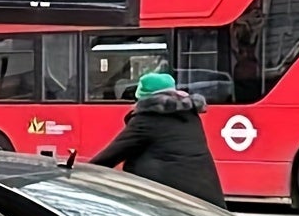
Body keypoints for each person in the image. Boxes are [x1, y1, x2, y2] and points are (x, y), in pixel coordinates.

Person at [89, 69, 227, 205]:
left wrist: (82, 173)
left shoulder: (147, 119)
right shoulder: (190, 114)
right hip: (207, 199)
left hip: (173, 201)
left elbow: (111, 155)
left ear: (143, 98)